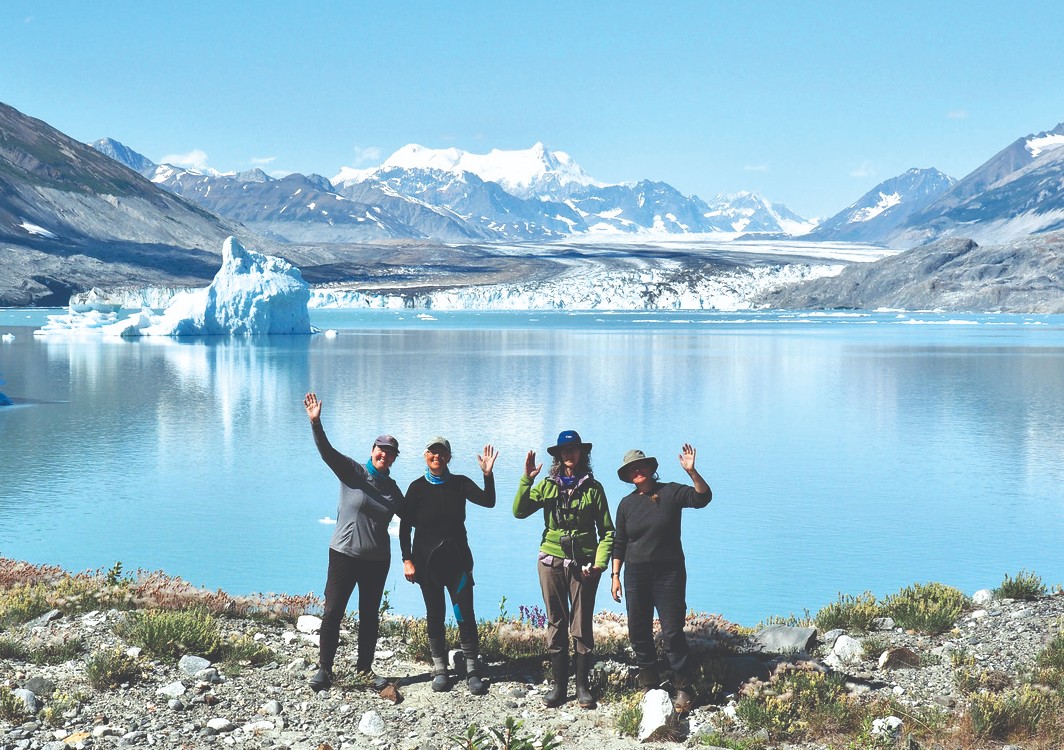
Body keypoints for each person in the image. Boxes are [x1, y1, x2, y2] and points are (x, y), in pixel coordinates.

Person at [303, 392, 405, 692]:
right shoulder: (352, 472)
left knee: (370, 616)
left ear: (393, 458)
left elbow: (412, 517)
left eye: (389, 452)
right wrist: (316, 422)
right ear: (372, 450)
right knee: (333, 611)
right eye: (380, 449)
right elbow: (326, 452)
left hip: (376, 560)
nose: (383, 455)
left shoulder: (392, 490)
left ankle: (364, 669)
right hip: (344, 555)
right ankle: (324, 669)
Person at [513, 430, 614, 709]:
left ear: (582, 453)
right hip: (551, 560)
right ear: (558, 455)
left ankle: (582, 687)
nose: (569, 454)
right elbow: (519, 511)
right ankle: (559, 687)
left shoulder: (594, 489)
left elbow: (607, 532)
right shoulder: (547, 486)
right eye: (564, 450)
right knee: (556, 621)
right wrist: (527, 480)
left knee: (581, 623)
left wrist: (600, 563)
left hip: (584, 564)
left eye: (574, 449)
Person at [610, 444, 712, 710]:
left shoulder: (671, 491)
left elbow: (703, 498)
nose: (637, 471)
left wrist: (692, 472)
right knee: (638, 631)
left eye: (641, 466)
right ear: (628, 475)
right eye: (632, 469)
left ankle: (683, 688)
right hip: (636, 575)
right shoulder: (626, 504)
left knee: (672, 632)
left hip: (670, 573)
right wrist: (615, 575)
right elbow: (618, 542)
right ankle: (650, 683)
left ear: (651, 469)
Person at [400, 437, 498, 695]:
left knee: (465, 614)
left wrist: (488, 475)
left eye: (442, 453)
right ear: (425, 456)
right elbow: (404, 526)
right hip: (427, 564)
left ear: (449, 457)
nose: (437, 457)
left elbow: (489, 501)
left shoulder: (460, 484)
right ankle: (440, 669)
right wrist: (407, 559)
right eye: (433, 452)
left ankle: (472, 671)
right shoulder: (416, 488)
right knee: (435, 615)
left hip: (458, 563)